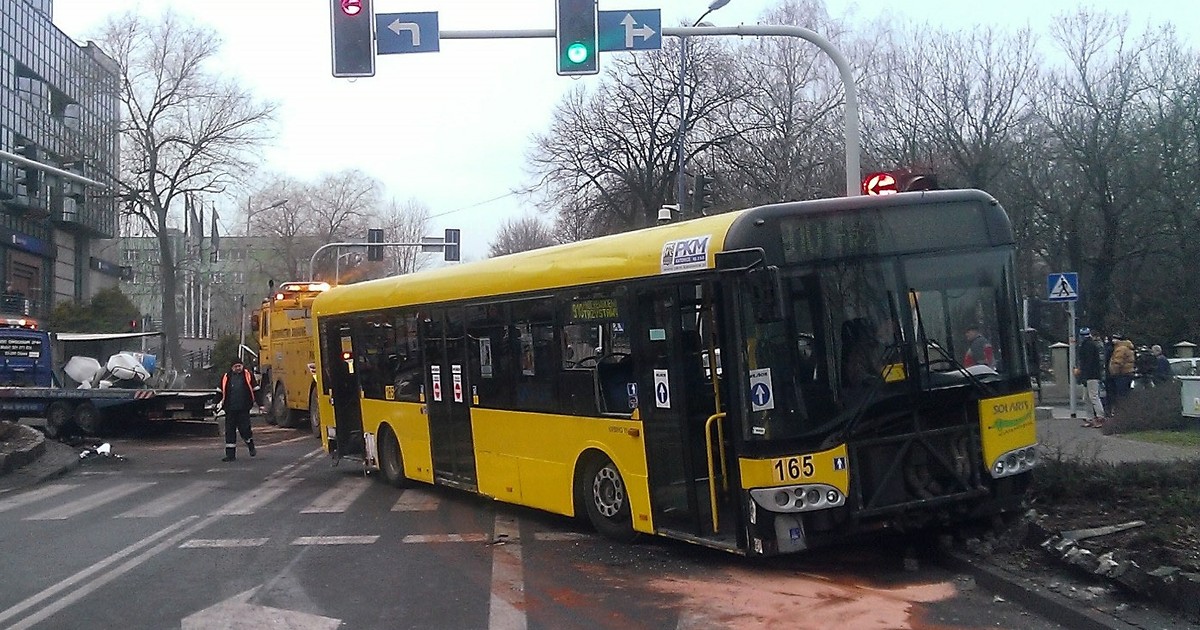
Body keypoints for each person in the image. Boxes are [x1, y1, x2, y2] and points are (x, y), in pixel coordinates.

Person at [219, 358, 260, 461]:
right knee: (230, 432)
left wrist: (261, 404)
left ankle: (250, 444)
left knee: (245, 430)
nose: (238, 368)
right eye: (236, 366)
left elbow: (256, 390)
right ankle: (230, 455)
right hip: (230, 409)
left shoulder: (248, 375)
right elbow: (220, 391)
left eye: (239, 366)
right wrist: (215, 402)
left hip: (243, 409)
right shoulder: (226, 377)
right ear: (232, 368)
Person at [1076, 328, 1106, 428]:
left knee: (1093, 396)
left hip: (1091, 375)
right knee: (1087, 398)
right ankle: (1091, 418)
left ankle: (1100, 417)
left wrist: (1082, 375)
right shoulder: (1090, 344)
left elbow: (1088, 362)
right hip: (1090, 375)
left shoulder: (1087, 346)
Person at [1106, 334, 1135, 414]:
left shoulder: (1120, 349)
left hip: (1121, 374)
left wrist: (1113, 372)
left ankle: (1121, 413)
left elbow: (1118, 362)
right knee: (1125, 394)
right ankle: (1124, 412)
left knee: (1120, 395)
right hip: (1127, 373)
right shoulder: (1127, 347)